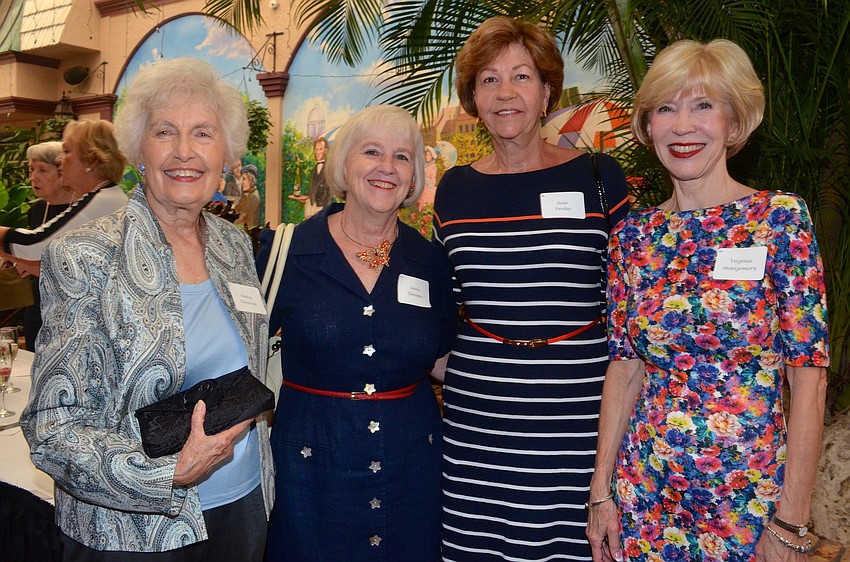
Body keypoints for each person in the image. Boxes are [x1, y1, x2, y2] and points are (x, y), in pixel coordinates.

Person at [21, 57, 274, 561]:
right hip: (131, 531)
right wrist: (166, 473)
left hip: (242, 505)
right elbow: (51, 429)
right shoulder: (85, 256)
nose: (185, 152)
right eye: (165, 132)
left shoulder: (233, 246)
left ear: (227, 153)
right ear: (138, 149)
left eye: (204, 133)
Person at [587, 39, 829, 562]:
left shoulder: (781, 221)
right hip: (644, 499)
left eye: (703, 105)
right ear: (647, 125)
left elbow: (807, 379)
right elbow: (624, 368)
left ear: (734, 123)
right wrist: (601, 492)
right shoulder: (633, 237)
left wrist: (791, 519)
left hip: (750, 508)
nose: (682, 126)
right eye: (666, 108)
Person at [432, 16, 631, 561]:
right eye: (489, 80)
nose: (505, 93)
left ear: (547, 91)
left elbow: (632, 309)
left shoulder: (598, 177)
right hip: (481, 423)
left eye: (521, 76)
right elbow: (442, 304)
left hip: (581, 421)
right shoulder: (455, 191)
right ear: (473, 98)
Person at [258, 105, 457, 561]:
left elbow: (445, 359)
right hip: (309, 465)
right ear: (344, 166)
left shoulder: (430, 263)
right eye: (372, 152)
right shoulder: (285, 252)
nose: (387, 167)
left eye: (403, 157)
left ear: (414, 179)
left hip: (412, 466)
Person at [0, 119, 129, 271]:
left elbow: (33, 244)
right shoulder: (108, 196)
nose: (59, 159)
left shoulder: (103, 200)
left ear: (91, 161)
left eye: (67, 151)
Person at [17, 142, 75, 346]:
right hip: (37, 308)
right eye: (31, 170)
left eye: (42, 170)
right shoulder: (37, 210)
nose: (33, 177)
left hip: (70, 313)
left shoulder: (81, 209)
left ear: (63, 172)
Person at [305, 136, 331, 218]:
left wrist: (325, 209)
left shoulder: (329, 168)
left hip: (323, 207)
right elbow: (312, 187)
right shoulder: (314, 169)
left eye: (321, 149)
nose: (318, 152)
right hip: (313, 207)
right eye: (316, 149)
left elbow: (329, 192)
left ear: (326, 150)